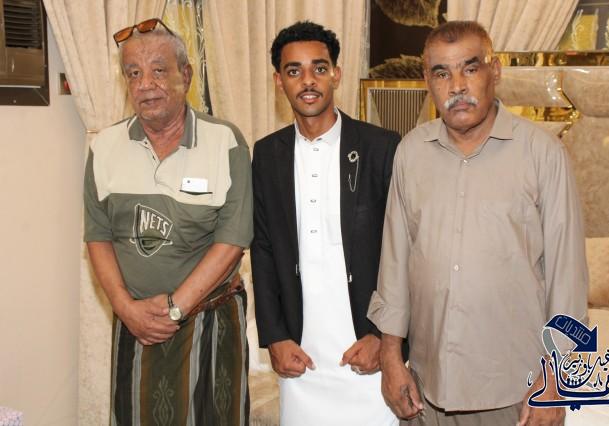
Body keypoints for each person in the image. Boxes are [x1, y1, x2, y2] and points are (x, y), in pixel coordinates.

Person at [368, 21, 588, 426]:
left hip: (515, 393)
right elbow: (395, 265)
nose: (457, 86)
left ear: (495, 71)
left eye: (470, 68)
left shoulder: (542, 154)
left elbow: (567, 278)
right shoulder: (411, 152)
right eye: (442, 73)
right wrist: (391, 358)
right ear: (427, 81)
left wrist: (558, 378)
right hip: (425, 389)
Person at [84, 19, 252, 425]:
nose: (145, 84)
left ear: (186, 76)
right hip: (134, 324)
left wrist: (176, 309)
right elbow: (98, 237)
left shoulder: (225, 141)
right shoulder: (104, 147)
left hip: (209, 322)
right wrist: (126, 308)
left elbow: (233, 239)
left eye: (159, 70)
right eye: (133, 73)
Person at [251, 21, 401, 426]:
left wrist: (385, 338)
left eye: (319, 68)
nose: (308, 81)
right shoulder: (266, 155)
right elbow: (262, 248)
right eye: (294, 71)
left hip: (367, 347)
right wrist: (275, 336)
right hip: (302, 354)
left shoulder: (381, 147)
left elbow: (404, 251)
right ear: (279, 81)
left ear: (336, 73)